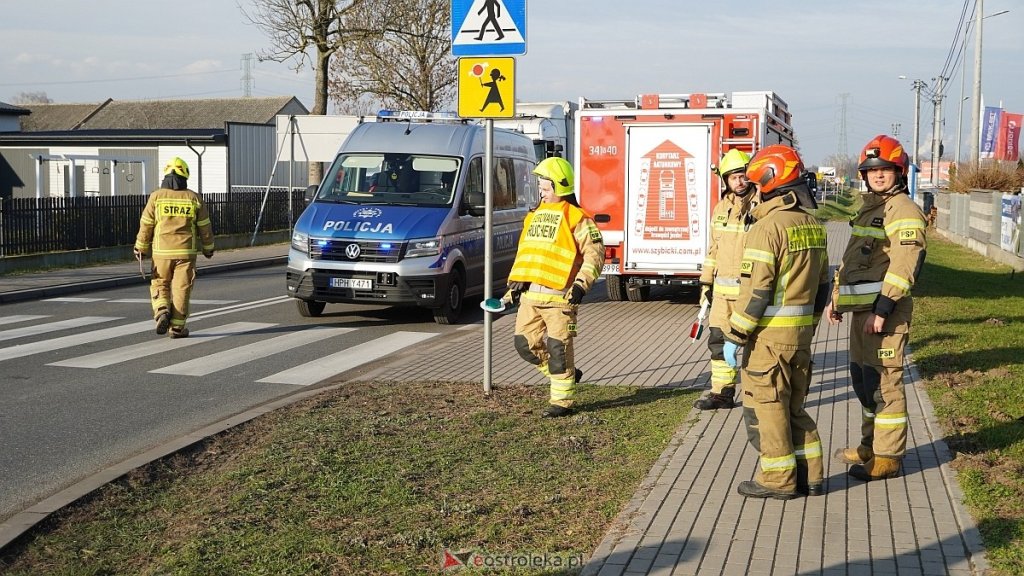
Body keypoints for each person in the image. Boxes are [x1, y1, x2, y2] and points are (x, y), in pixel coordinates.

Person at [724, 144, 830, 499]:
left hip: (768, 339)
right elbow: (824, 285)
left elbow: (756, 292)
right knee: (794, 407)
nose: (753, 191)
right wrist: (810, 325)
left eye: (756, 184)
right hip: (800, 338)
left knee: (768, 408)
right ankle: (811, 476)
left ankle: (778, 479)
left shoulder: (767, 228)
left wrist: (735, 335)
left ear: (769, 180)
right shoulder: (813, 225)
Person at [825, 135, 927, 481]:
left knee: (885, 385)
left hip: (885, 315)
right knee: (864, 382)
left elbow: (906, 262)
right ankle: (869, 446)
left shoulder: (904, 210)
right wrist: (836, 299)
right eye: (872, 170)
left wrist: (882, 310)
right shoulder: (869, 208)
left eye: (885, 169)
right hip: (862, 315)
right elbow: (853, 260)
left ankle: (887, 458)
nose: (878, 175)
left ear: (899, 172)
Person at [504, 157, 605, 418]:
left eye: (546, 188)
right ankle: (567, 375)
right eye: (540, 187)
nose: (541, 192)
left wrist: (581, 286)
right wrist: (513, 289)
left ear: (560, 187)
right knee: (524, 345)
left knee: (559, 350)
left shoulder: (577, 217)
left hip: (561, 298)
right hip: (531, 296)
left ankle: (561, 403)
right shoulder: (533, 216)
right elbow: (527, 255)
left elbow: (594, 254)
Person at [694, 149, 754, 410]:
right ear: (726, 181)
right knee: (717, 341)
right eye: (733, 178)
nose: (739, 182)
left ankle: (758, 396)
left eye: (743, 176)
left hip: (751, 292)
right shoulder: (721, 208)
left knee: (754, 346)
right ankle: (722, 394)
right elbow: (713, 250)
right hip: (721, 293)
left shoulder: (761, 205)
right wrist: (706, 284)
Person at [134, 157, 215, 339]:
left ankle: (162, 310)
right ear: (185, 175)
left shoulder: (156, 197)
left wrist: (140, 247)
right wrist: (208, 248)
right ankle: (177, 329)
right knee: (181, 289)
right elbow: (205, 227)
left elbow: (146, 224)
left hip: (161, 252)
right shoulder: (193, 198)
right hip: (186, 252)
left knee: (160, 283)